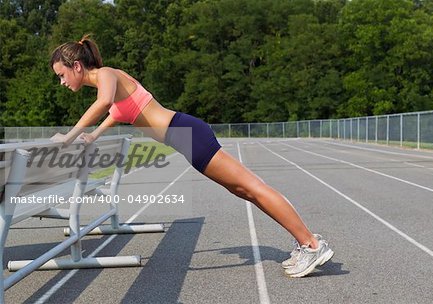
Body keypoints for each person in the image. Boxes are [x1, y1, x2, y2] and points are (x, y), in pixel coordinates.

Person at [50, 35, 334, 278]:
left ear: (77, 66)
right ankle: (306, 242)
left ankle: (310, 244)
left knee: (252, 187)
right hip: (185, 138)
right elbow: (115, 112)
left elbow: (104, 103)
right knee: (244, 190)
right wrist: (93, 136)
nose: (61, 82)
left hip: (185, 132)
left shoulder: (107, 75)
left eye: (61, 75)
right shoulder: (109, 82)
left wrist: (69, 136)